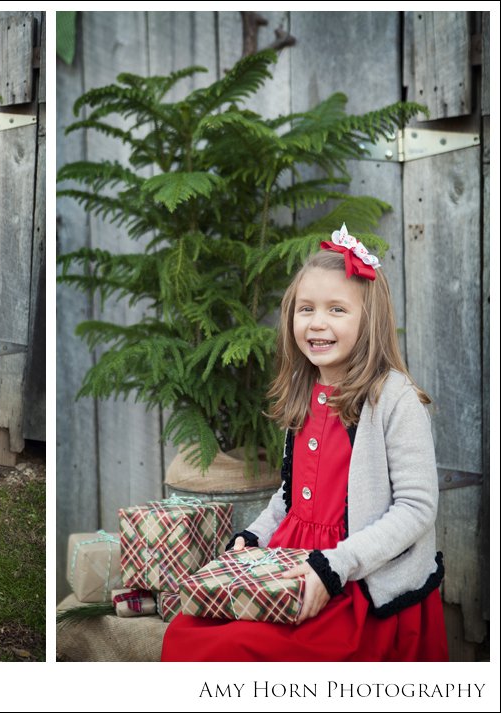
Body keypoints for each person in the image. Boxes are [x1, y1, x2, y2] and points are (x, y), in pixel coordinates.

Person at [162, 224, 448, 661]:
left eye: (337, 309)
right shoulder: (306, 390)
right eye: (305, 309)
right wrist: (255, 538)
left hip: (359, 580)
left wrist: (336, 565)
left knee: (233, 650)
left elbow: (416, 508)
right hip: (295, 558)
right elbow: (292, 496)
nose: (317, 323)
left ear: (368, 320)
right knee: (186, 631)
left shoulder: (394, 398)